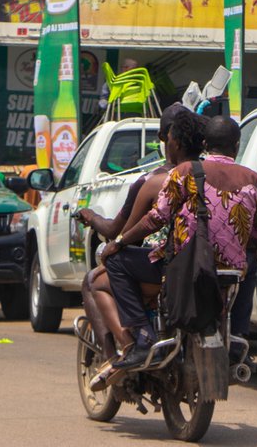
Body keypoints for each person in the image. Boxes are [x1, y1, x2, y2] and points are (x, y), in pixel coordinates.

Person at [105, 114, 257, 372]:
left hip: (185, 266)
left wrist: (119, 242)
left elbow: (157, 218)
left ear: (205, 144)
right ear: (237, 146)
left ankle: (143, 337)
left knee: (116, 262)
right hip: (230, 272)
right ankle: (238, 340)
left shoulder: (184, 172)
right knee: (251, 261)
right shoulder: (253, 179)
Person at [76, 103, 190, 386]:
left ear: (166, 138)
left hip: (161, 270)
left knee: (92, 280)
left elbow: (121, 231)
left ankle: (122, 350)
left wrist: (94, 220)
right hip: (203, 267)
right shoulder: (212, 177)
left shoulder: (153, 182)